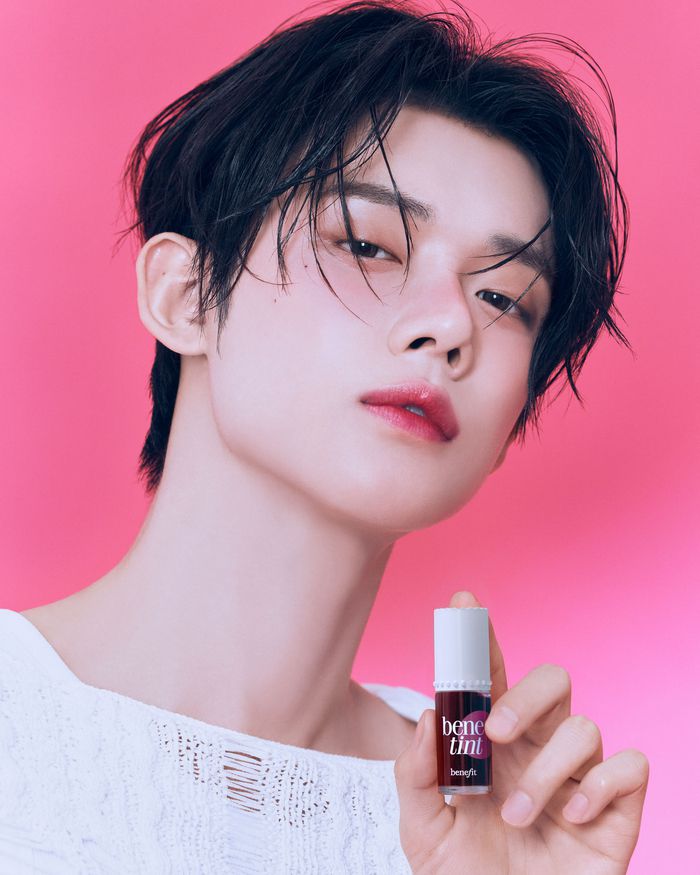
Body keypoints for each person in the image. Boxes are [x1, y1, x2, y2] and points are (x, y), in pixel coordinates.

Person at [0, 0, 649, 871]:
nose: (450, 325)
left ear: (510, 425)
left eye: (502, 297)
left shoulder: (487, 807)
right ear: (185, 296)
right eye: (369, 245)